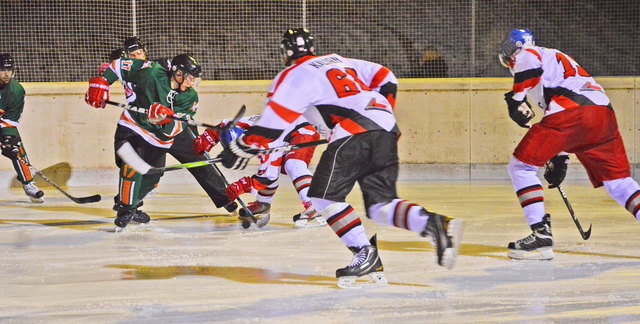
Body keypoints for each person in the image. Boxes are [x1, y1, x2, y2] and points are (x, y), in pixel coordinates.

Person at [225, 28, 464, 287]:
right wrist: (376, 112)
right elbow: (386, 76)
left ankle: (365, 253)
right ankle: (435, 223)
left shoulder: (292, 74)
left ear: (285, 53)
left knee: (321, 196)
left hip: (355, 129)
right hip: (384, 125)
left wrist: (241, 145)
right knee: (380, 205)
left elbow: (273, 122)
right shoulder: (338, 60)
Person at [499, 29, 640, 260]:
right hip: (602, 114)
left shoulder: (529, 53)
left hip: (574, 111)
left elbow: (530, 66)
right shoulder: (555, 60)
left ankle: (540, 235)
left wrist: (516, 100)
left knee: (521, 166)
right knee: (619, 183)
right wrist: (560, 157)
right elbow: (563, 120)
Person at [99, 37, 237, 224]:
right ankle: (128, 205)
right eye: (132, 55)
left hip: (170, 127)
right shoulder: (147, 73)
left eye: (139, 52)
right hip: (142, 126)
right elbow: (119, 70)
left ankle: (225, 196)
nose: (136, 56)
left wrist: (166, 117)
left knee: (198, 155)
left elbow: (177, 122)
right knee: (140, 168)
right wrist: (102, 81)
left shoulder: (169, 76)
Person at [194, 115, 327, 228]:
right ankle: (263, 204)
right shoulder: (243, 126)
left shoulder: (265, 143)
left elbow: (269, 176)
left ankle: (315, 206)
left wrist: (242, 185)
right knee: (272, 166)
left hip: (302, 130)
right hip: (286, 127)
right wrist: (207, 138)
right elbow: (224, 125)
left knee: (293, 164)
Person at [0, 54, 44, 203]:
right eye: (2, 70)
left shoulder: (16, 90)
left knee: (15, 146)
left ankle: (27, 184)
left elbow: (9, 120)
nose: (7, 74)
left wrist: (8, 139)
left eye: (9, 70)